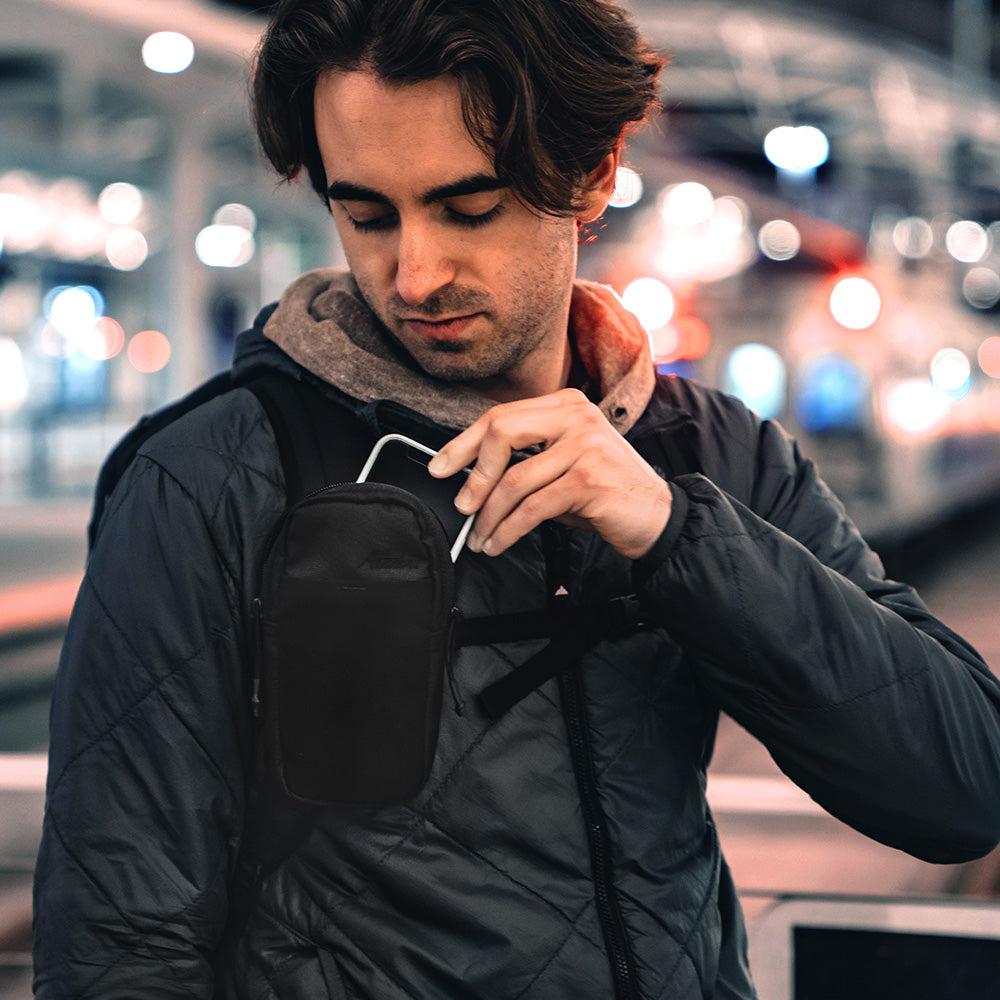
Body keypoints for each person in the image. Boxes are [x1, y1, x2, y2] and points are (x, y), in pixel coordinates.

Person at [32, 0, 1000, 997]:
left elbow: (966, 786)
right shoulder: (211, 477)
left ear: (590, 174)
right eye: (366, 214)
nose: (414, 272)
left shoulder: (709, 453)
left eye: (468, 206)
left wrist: (676, 535)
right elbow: (117, 946)